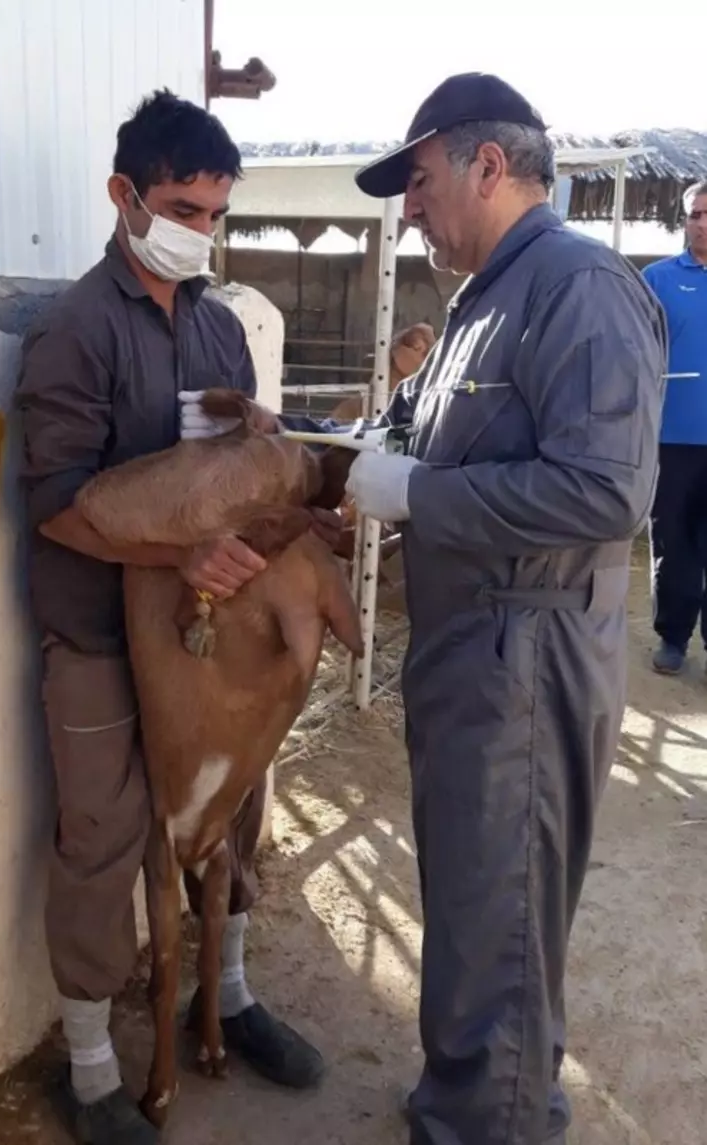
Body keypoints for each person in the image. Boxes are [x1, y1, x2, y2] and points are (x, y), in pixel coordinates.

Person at [339, 73, 666, 1145]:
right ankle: (464, 1096)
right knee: (475, 908)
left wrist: (418, 494)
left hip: (525, 657)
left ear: (487, 163)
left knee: (503, 918)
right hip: (468, 651)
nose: (410, 208)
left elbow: (607, 490)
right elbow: (413, 438)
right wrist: (343, 452)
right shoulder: (484, 299)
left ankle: (494, 1121)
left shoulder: (580, 288)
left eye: (421, 180)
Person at [15, 90, 336, 1145]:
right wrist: (177, 550)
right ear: (124, 195)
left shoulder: (218, 329)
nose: (200, 229)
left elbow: (235, 477)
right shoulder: (74, 332)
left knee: (232, 810)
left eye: (214, 212)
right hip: (102, 637)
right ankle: (97, 1069)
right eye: (182, 206)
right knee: (104, 836)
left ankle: (229, 995)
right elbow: (59, 506)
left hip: (214, 633)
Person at [641, 180, 707, 676]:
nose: (702, 223)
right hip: (672, 439)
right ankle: (673, 637)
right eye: (695, 215)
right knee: (673, 542)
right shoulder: (656, 280)